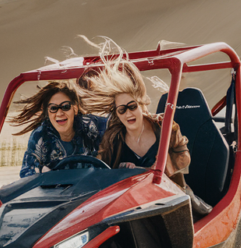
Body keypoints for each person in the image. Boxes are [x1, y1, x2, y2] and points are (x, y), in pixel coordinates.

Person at [82, 59, 211, 218]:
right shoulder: (112, 137)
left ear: (140, 103)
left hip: (170, 195)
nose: (128, 114)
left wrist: (159, 166)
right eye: (122, 110)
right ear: (116, 113)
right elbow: (101, 172)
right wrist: (119, 171)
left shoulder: (165, 126)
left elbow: (184, 158)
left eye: (132, 106)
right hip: (129, 202)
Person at [11, 81, 107, 178]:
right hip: (56, 190)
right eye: (53, 108)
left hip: (93, 186)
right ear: (47, 112)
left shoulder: (90, 125)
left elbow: (117, 122)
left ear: (75, 109)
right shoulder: (40, 136)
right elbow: (26, 172)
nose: (59, 113)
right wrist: (41, 171)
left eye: (66, 107)